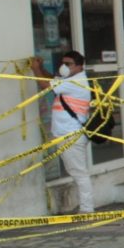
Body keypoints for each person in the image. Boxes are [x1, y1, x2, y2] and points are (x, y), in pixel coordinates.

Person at [31, 51, 95, 214]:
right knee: (76, 171)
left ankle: (87, 210)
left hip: (71, 135)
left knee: (79, 173)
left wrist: (35, 69)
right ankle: (86, 208)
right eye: (63, 63)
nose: (64, 67)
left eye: (69, 64)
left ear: (80, 66)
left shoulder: (77, 82)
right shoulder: (70, 80)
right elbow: (52, 80)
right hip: (66, 134)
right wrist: (42, 68)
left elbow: (45, 85)